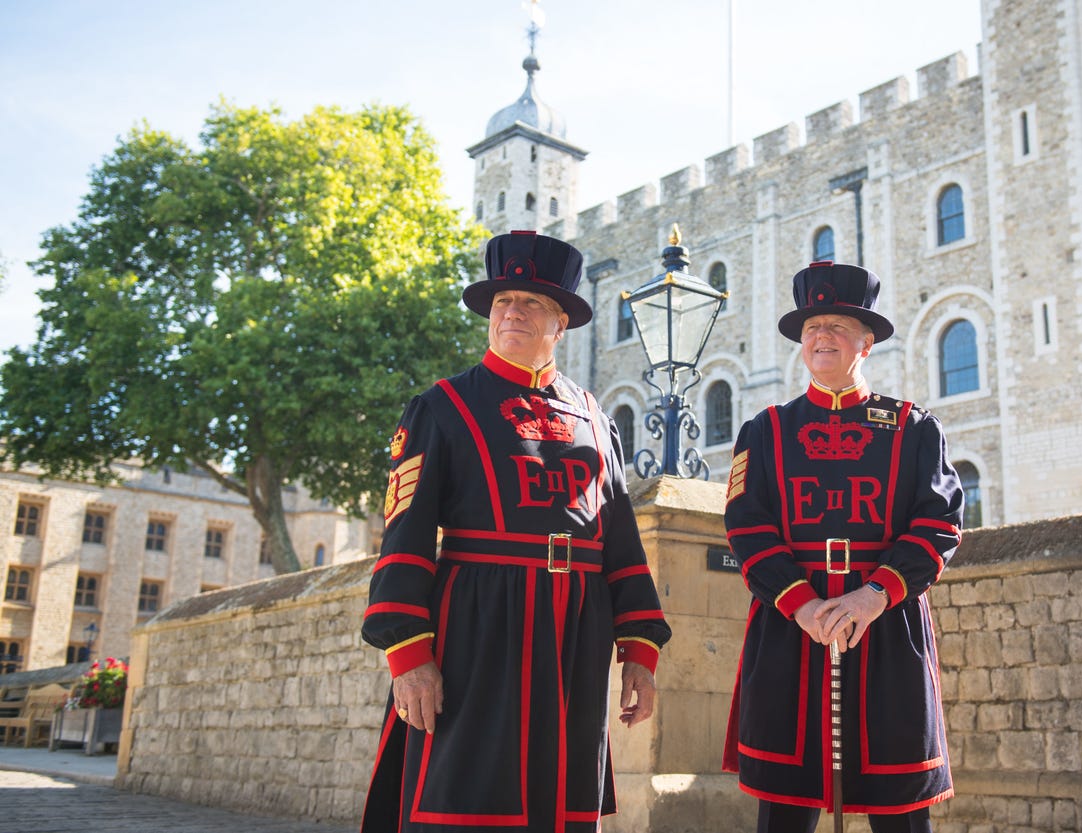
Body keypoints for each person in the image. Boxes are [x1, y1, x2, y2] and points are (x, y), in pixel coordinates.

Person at [360, 230, 671, 833]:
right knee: (464, 800)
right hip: (477, 624)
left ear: (561, 323)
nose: (513, 311)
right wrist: (408, 652)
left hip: (576, 634)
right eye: (503, 301)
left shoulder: (596, 419)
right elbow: (406, 533)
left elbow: (621, 538)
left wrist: (638, 648)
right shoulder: (441, 407)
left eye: (531, 303)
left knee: (562, 805)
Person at [722, 261, 963, 833]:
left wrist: (872, 597)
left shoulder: (913, 427)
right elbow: (746, 526)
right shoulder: (765, 430)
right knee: (784, 810)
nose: (821, 336)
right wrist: (804, 605)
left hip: (886, 626)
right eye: (811, 328)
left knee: (901, 812)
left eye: (836, 325)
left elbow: (940, 524)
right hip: (789, 629)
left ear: (867, 340)